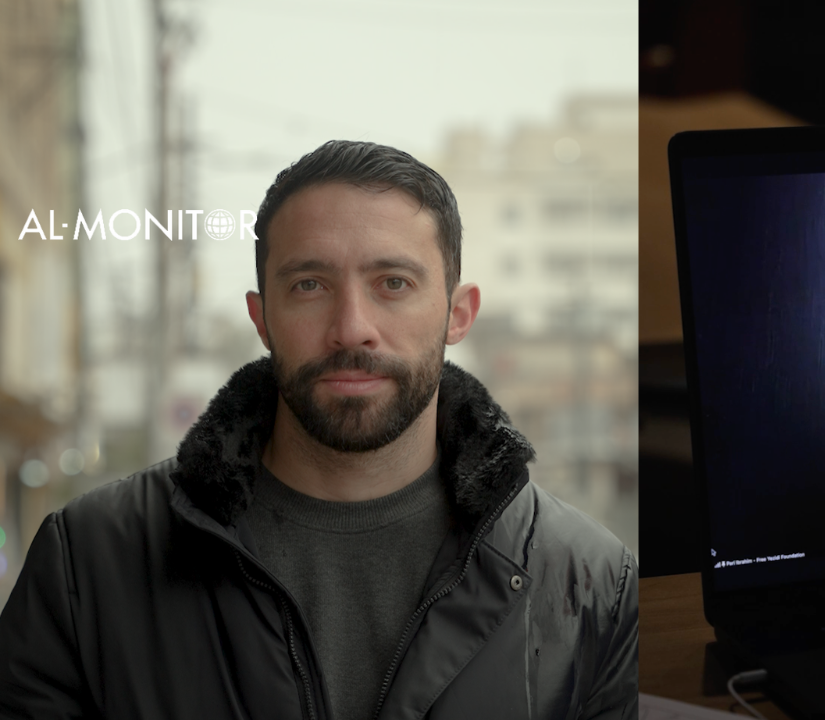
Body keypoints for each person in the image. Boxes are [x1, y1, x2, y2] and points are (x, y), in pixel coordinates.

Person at [0, 141, 638, 719]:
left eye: (393, 283)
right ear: (262, 318)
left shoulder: (589, 583)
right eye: (310, 285)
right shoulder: (89, 562)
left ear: (457, 313)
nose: (351, 327)